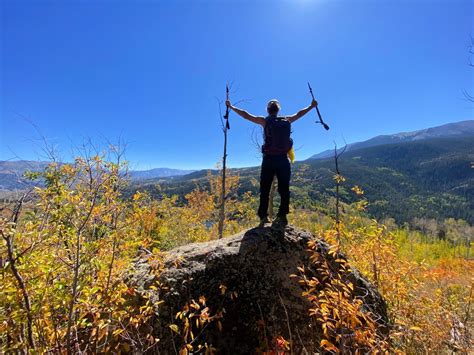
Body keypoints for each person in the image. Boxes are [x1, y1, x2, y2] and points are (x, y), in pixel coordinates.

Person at [225, 97, 318, 227]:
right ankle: (282, 216)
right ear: (278, 109)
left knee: (265, 189)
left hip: (268, 159)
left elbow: (246, 115)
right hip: (283, 160)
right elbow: (299, 114)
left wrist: (231, 107)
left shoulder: (264, 121)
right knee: (284, 189)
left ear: (268, 110)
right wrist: (311, 106)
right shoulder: (287, 120)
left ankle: (263, 217)